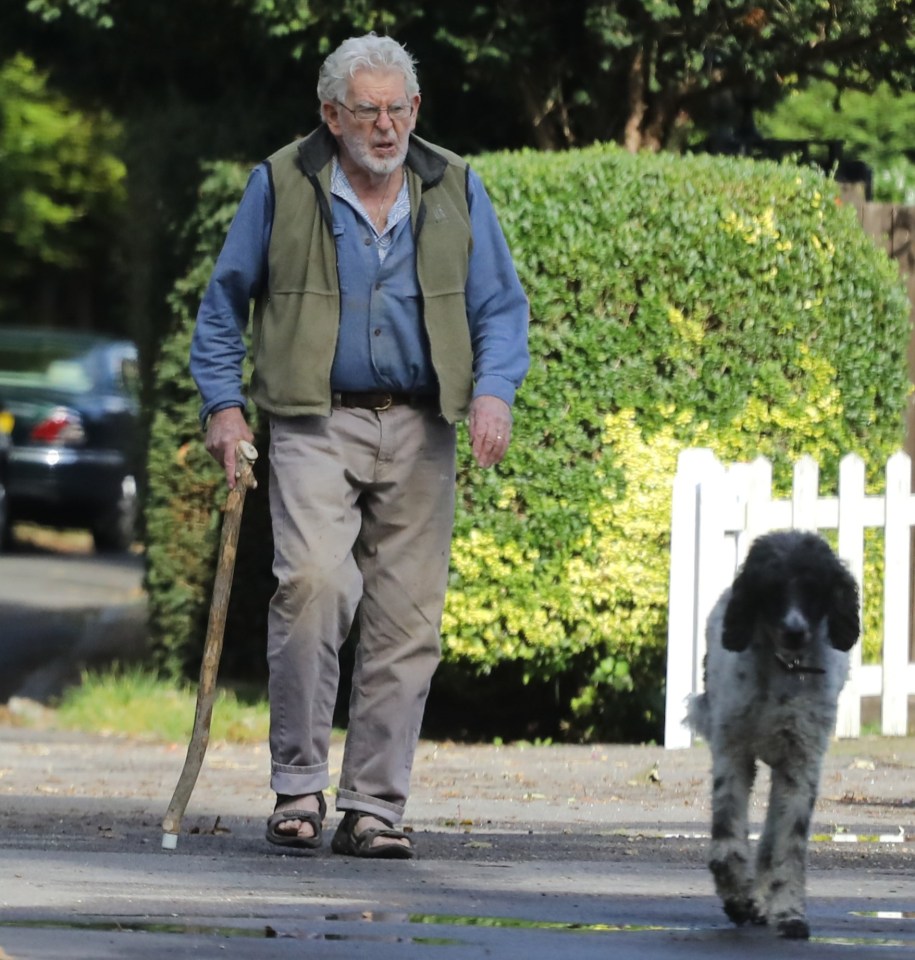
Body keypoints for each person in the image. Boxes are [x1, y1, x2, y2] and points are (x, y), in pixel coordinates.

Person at [190, 32, 529, 859]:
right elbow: (223, 305)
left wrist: (492, 391)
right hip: (312, 418)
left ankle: (375, 804)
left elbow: (500, 308)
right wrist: (224, 408)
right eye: (367, 111)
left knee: (407, 621)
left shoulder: (452, 183)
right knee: (312, 586)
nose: (386, 127)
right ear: (330, 115)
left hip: (422, 422)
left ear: (416, 109)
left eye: (399, 109)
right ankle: (299, 784)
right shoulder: (280, 182)